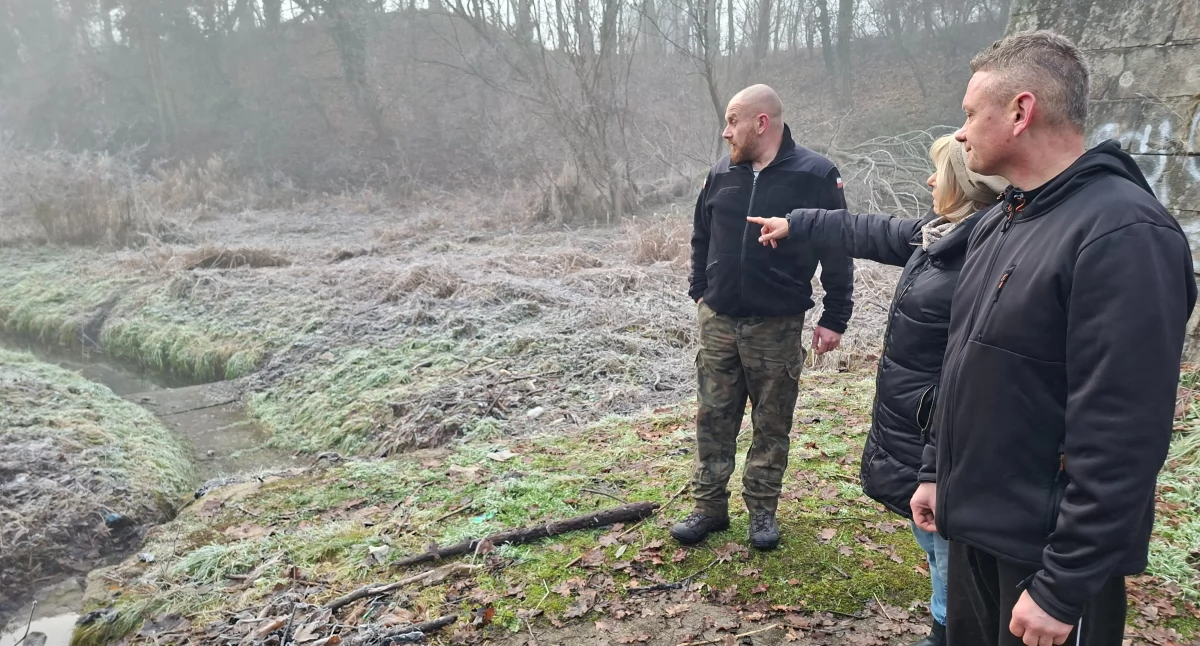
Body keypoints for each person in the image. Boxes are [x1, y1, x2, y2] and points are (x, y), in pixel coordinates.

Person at [905, 30, 1197, 646]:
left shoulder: (1123, 234)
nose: (960, 134)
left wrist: (1064, 584)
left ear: (1021, 112)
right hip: (976, 533)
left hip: (1046, 562)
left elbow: (1122, 430)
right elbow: (962, 366)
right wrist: (935, 473)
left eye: (969, 114)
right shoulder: (1001, 222)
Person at [748, 134, 1007, 646]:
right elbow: (869, 230)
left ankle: (950, 631)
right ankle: (945, 624)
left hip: (944, 434)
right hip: (922, 428)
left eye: (940, 172)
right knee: (935, 541)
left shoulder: (984, 252)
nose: (930, 180)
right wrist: (797, 223)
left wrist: (934, 459)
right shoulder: (942, 235)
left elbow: (973, 374)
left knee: (951, 544)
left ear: (965, 183)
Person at [674, 84, 854, 551]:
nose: (725, 131)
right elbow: (701, 235)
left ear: (761, 123)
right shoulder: (721, 173)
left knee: (771, 423)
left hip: (776, 325)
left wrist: (835, 315)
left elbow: (837, 247)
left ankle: (762, 511)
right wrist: (700, 290)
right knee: (713, 418)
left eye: (733, 121)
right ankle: (708, 507)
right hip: (718, 321)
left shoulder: (816, 174)